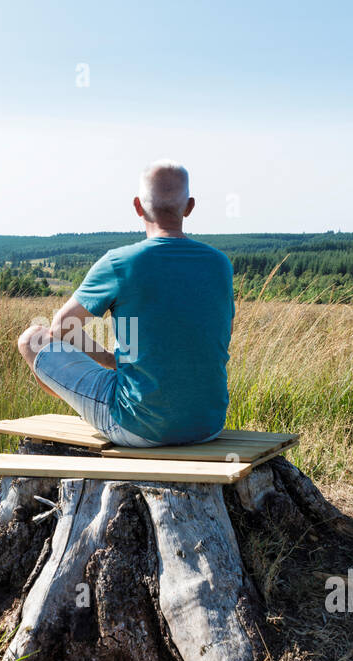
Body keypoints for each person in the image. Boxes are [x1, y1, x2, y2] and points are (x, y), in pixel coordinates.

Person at [16, 160, 233, 447]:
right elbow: (220, 336)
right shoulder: (220, 264)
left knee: (33, 338)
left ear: (137, 206)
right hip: (207, 426)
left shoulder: (119, 262)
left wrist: (109, 360)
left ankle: (91, 410)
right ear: (189, 207)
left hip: (136, 428)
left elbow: (61, 328)